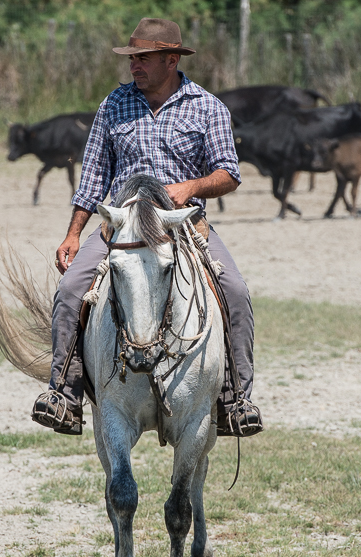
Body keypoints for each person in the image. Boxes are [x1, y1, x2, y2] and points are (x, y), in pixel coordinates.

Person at [31, 17, 263, 438]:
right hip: (119, 226)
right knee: (69, 292)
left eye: (143, 58)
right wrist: (72, 233)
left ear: (171, 59)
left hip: (184, 225)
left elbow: (229, 173)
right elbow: (93, 178)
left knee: (236, 294)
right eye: (132, 58)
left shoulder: (207, 106)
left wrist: (191, 186)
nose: (133, 66)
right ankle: (63, 394)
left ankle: (235, 399)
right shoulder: (113, 105)